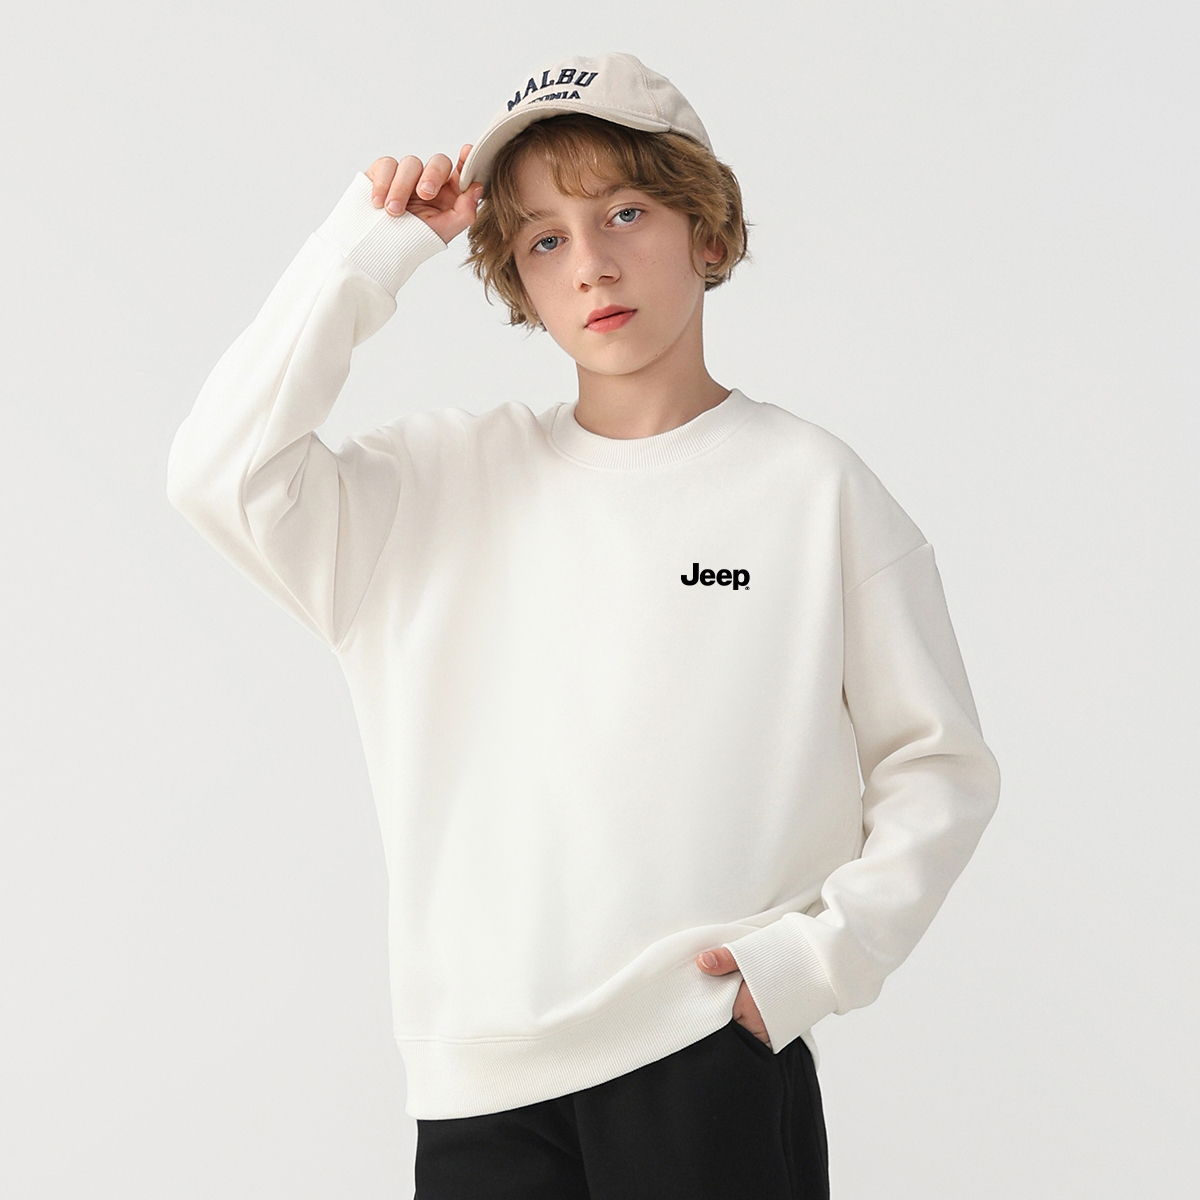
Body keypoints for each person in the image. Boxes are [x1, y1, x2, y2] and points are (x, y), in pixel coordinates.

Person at [166, 51, 1001, 1200]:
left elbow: (939, 766)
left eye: (626, 212)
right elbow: (219, 475)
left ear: (708, 230)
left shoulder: (813, 490)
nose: (592, 264)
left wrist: (820, 962)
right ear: (515, 275)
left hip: (706, 1054)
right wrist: (364, 253)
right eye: (545, 239)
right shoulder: (430, 489)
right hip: (478, 1087)